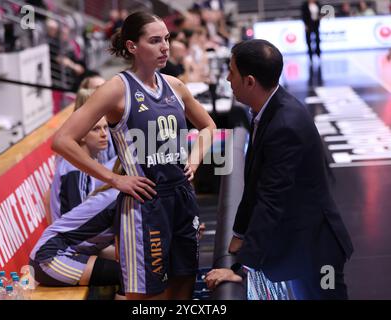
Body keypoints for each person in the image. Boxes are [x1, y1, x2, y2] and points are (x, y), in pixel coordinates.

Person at [51, 11, 216, 300]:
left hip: (181, 198)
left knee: (184, 288)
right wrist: (114, 179)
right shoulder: (116, 88)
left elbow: (208, 126)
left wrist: (194, 160)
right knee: (148, 299)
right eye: (155, 41)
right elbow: (62, 140)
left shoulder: (175, 86)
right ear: (132, 47)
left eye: (166, 39)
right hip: (144, 205)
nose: (165, 46)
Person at [205, 39, 353, 300]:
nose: (227, 78)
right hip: (300, 246)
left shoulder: (285, 124)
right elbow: (253, 183)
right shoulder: (267, 108)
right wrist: (239, 233)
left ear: (249, 81)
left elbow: (272, 199)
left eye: (231, 71)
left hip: (319, 252)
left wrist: (241, 268)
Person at [30, 180, 123, 292]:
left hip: (75, 250)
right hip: (49, 257)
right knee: (133, 277)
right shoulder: (122, 196)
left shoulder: (120, 191)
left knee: (137, 272)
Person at [49, 89, 114, 222]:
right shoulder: (75, 169)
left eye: (105, 128)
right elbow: (78, 222)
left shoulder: (85, 159)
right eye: (96, 129)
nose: (104, 134)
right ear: (82, 134)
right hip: (71, 241)